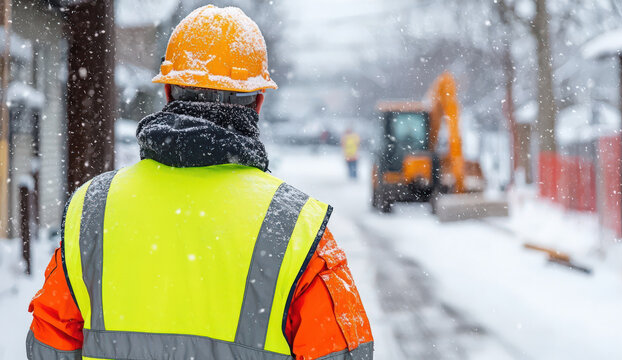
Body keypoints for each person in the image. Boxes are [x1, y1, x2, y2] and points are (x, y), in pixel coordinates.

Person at [26, 6, 373, 360]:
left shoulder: (92, 208)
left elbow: (48, 345)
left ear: (168, 94)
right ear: (258, 102)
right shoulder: (297, 227)